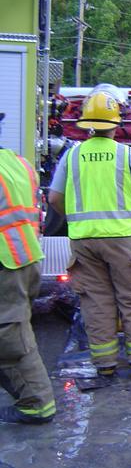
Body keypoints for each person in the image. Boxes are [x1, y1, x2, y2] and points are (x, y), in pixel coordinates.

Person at [48, 88, 131, 379]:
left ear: (87, 125)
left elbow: (54, 199)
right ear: (116, 125)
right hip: (123, 240)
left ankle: (104, 364)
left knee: (95, 301)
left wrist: (77, 215)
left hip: (84, 241)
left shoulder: (72, 156)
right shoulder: (127, 156)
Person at [0, 112, 56, 424]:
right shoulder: (18, 163)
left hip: (6, 262)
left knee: (10, 336)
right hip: (25, 257)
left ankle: (37, 404)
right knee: (14, 330)